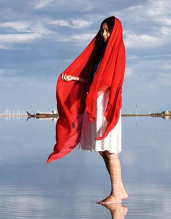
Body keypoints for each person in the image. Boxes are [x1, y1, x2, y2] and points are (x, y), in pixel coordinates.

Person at [46, 16, 127, 205]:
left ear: (115, 32)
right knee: (102, 150)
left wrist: (93, 90)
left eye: (108, 31)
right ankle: (119, 189)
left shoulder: (117, 52)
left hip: (107, 105)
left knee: (109, 149)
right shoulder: (101, 54)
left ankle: (118, 192)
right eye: (102, 30)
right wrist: (74, 79)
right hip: (97, 103)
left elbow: (108, 82)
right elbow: (94, 80)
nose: (104, 34)